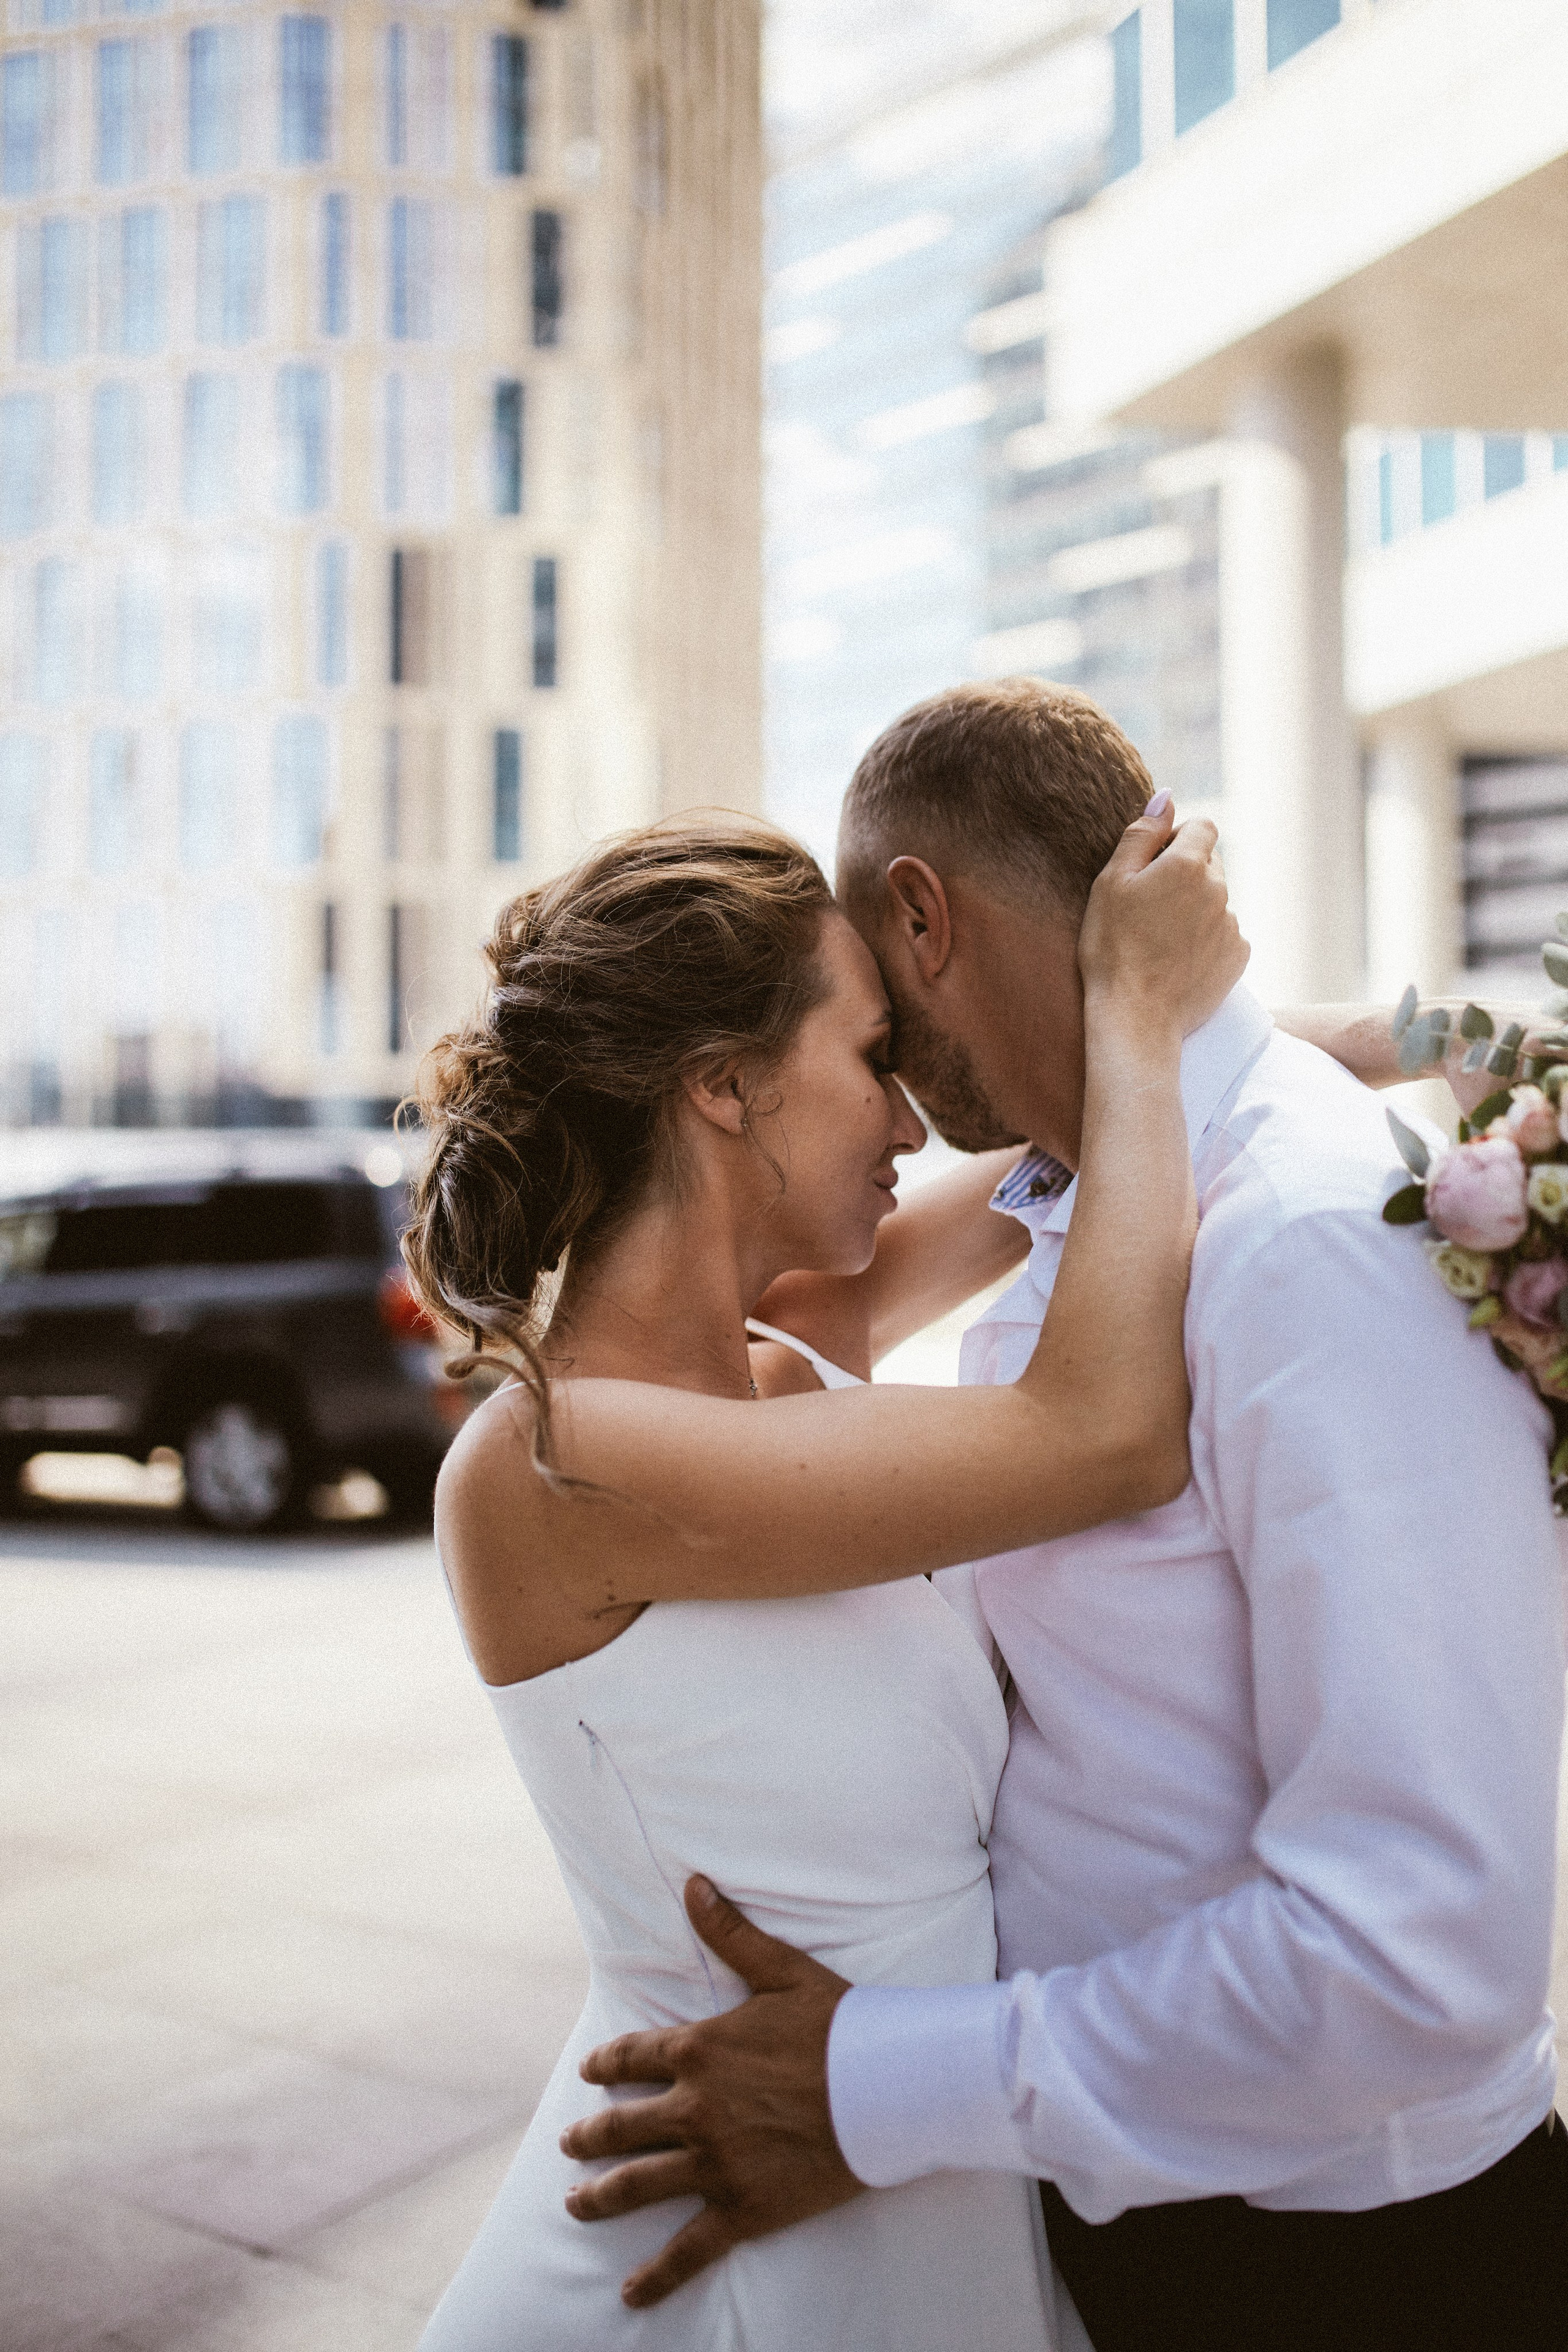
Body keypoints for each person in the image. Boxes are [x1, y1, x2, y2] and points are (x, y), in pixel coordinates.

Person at [559, 682, 1568, 2352]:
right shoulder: (1094, 1188)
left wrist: (883, 2083)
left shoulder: (1303, 1240)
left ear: (921, 915)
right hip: (1156, 2217)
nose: (895, 1098)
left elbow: (1421, 1947)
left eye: (891, 1027)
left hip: (1345, 2267)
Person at [409, 793, 1246, 2351]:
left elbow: (1048, 1158)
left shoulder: (796, 1348)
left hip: (909, 2167)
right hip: (718, 2252)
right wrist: (1131, 1009)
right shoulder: (548, 1468)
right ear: (724, 1085)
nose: (914, 1119)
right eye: (872, 1058)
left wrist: (1472, 1065)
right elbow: (1106, 1430)